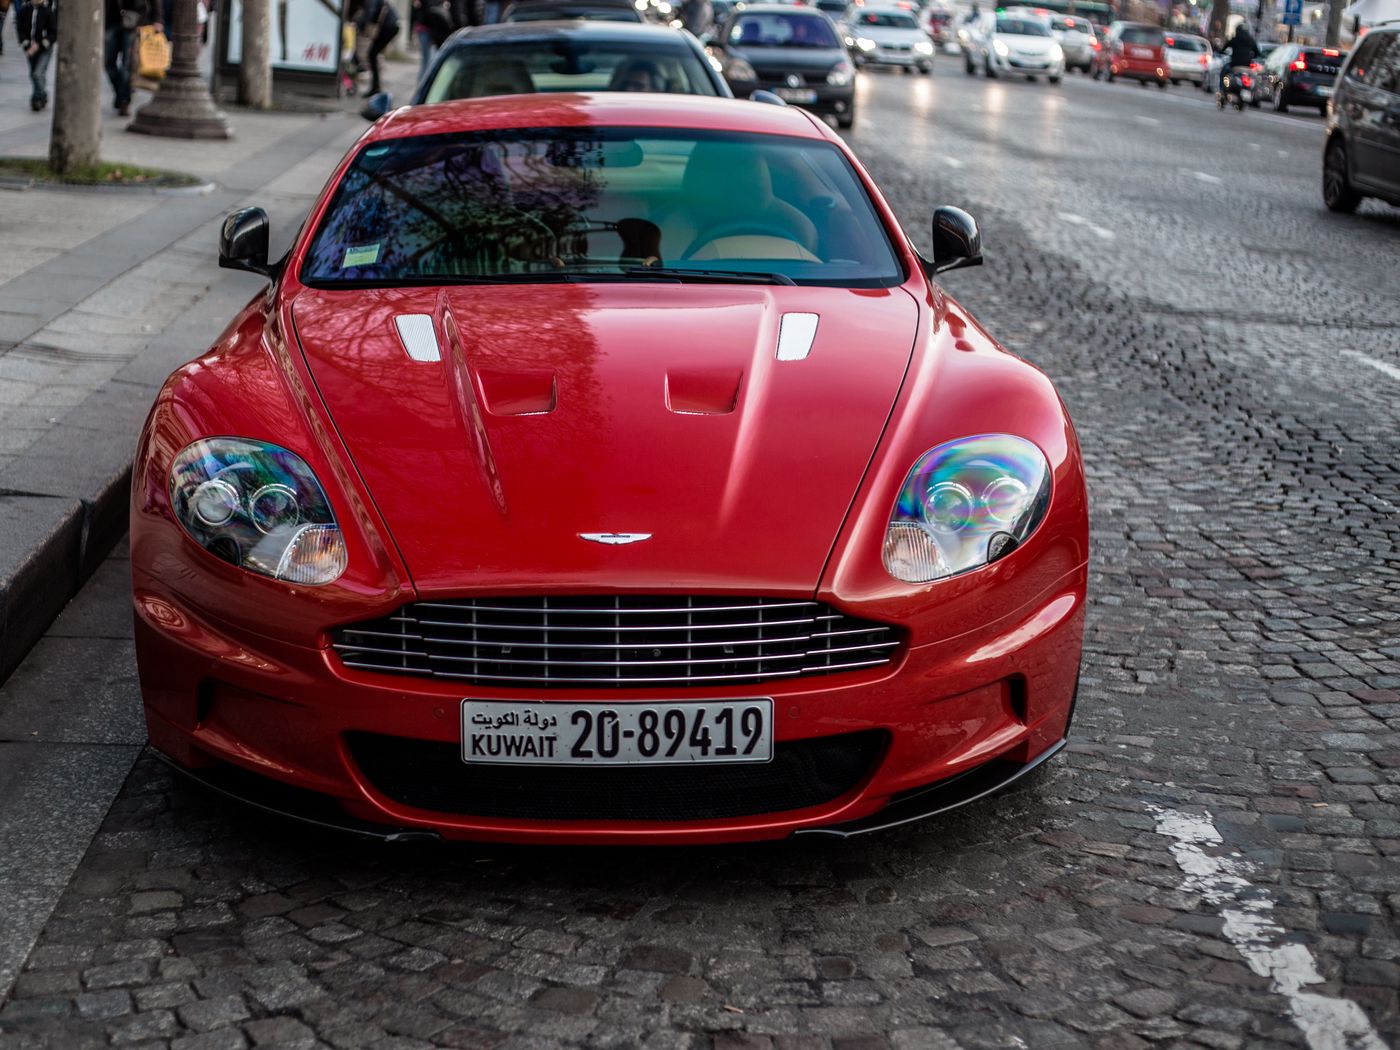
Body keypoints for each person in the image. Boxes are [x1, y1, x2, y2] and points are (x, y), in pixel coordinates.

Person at [105, 0, 158, 116]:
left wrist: (157, 19)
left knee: (127, 65)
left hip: (135, 21)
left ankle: (124, 100)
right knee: (108, 63)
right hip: (111, 20)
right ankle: (121, 93)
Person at [18, 0, 57, 111]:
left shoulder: (48, 11)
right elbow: (20, 30)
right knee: (33, 73)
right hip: (30, 48)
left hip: (44, 49)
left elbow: (53, 33)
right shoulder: (25, 10)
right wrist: (26, 44)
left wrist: (40, 45)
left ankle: (37, 98)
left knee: (38, 73)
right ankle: (42, 94)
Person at [355, 0, 400, 95]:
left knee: (372, 54)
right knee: (373, 54)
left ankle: (376, 87)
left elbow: (371, 13)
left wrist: (359, 24)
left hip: (388, 26)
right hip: (390, 25)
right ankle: (376, 86)